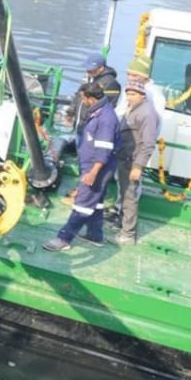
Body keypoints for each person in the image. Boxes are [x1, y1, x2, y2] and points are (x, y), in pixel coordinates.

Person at [44, 83, 117, 251]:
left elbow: (103, 150)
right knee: (96, 202)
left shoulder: (106, 118)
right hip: (91, 166)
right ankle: (95, 234)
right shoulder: (99, 111)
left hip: (96, 169)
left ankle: (64, 239)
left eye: (83, 98)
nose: (82, 102)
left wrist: (93, 173)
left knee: (82, 204)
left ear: (91, 98)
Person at [113, 78, 160, 245]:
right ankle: (122, 224)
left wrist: (138, 166)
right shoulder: (132, 108)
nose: (129, 97)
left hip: (131, 161)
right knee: (123, 193)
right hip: (123, 156)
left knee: (129, 197)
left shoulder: (147, 113)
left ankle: (128, 234)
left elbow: (148, 144)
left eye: (133, 94)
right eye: (128, 94)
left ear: (142, 95)